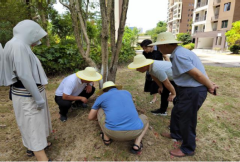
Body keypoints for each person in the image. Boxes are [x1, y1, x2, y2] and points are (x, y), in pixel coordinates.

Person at [149, 32, 218, 157]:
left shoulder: (180, 55)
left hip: (192, 91)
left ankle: (188, 148)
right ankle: (176, 134)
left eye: (159, 46)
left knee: (187, 119)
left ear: (165, 45)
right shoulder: (180, 53)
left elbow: (197, 74)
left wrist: (210, 86)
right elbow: (197, 70)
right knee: (177, 112)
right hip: (186, 89)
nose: (158, 48)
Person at [3, 20, 52, 161]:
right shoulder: (18, 46)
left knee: (33, 123)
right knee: (33, 124)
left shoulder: (15, 44)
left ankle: (34, 147)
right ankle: (42, 157)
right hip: (28, 94)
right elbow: (24, 75)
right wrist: (37, 98)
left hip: (26, 93)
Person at [88, 81, 149, 155]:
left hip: (112, 133)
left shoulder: (102, 97)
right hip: (135, 131)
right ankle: (137, 144)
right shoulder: (127, 93)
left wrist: (98, 116)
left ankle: (106, 139)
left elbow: (90, 117)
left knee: (100, 110)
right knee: (145, 118)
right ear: (116, 87)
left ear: (104, 91)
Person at [140, 39, 163, 104]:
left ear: (151, 46)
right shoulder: (144, 53)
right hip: (149, 70)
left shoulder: (158, 53)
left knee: (159, 84)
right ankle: (154, 97)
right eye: (143, 48)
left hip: (157, 70)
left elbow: (160, 63)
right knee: (152, 84)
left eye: (146, 48)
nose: (144, 50)